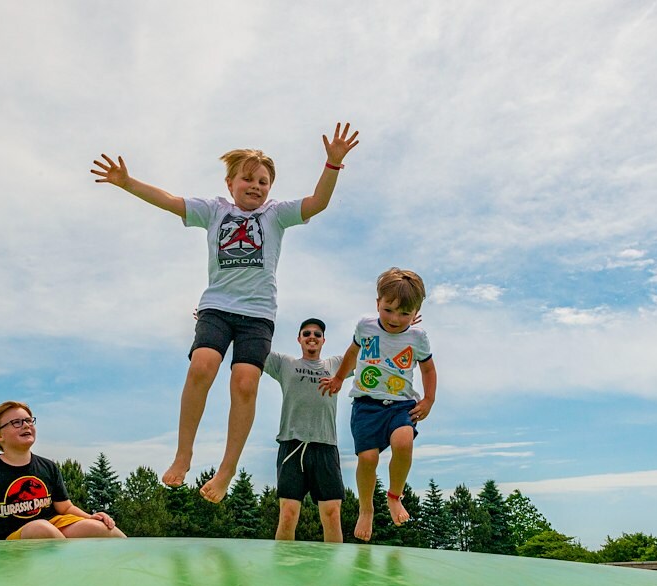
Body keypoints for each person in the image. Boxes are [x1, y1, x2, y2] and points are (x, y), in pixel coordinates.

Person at [92, 123, 359, 503]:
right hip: (217, 306)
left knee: (245, 382)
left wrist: (332, 165)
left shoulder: (276, 215)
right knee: (202, 366)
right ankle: (183, 453)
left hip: (258, 314)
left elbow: (318, 202)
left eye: (263, 181)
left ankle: (227, 469)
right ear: (230, 182)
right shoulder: (214, 210)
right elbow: (169, 201)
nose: (256, 186)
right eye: (247, 179)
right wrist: (127, 182)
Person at [320, 268, 437, 542]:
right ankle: (366, 508)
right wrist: (338, 378)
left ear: (416, 312)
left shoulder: (417, 337)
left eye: (404, 314)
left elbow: (428, 369)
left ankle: (394, 495)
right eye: (388, 310)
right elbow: (352, 353)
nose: (395, 319)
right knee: (368, 459)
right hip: (366, 405)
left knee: (404, 442)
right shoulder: (366, 326)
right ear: (377, 303)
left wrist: (428, 399)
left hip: (400, 405)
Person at [0, 401, 126, 542]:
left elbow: (65, 508)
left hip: (54, 526)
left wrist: (90, 517)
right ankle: (70, 573)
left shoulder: (48, 466)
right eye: (16, 422)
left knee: (97, 527)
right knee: (40, 528)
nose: (26, 425)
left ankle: (136, 565)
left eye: (28, 420)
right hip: (12, 540)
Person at [263, 318, 349, 543]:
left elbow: (366, 352)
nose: (312, 337)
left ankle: (331, 566)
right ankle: (283, 563)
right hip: (292, 445)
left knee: (332, 515)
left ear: (323, 340)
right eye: (307, 333)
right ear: (299, 339)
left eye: (317, 334)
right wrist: (220, 318)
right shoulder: (284, 363)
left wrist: (400, 327)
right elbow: (252, 346)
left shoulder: (336, 364)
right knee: (288, 514)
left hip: (326, 447)